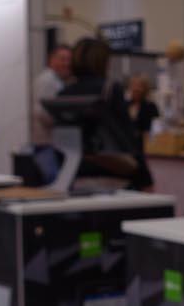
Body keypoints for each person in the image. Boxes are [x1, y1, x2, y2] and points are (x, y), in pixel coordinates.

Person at [58, 37, 152, 191]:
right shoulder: (109, 90)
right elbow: (127, 138)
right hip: (113, 178)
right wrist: (146, 179)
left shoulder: (63, 94)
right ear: (102, 61)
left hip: (74, 177)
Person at [31, 43, 73, 143]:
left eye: (69, 60)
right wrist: (66, 121)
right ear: (51, 60)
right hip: (47, 141)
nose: (67, 64)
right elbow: (41, 112)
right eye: (63, 59)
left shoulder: (57, 80)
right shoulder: (47, 80)